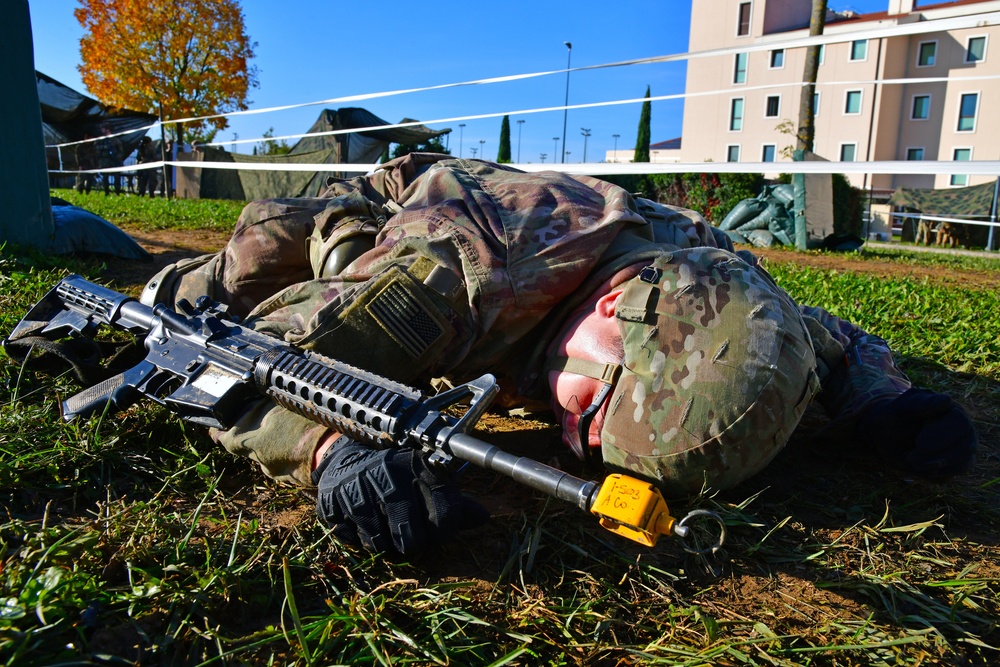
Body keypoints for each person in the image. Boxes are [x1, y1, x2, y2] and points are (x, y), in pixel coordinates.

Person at [140, 153, 978, 555]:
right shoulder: (454, 279)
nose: (571, 437)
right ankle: (150, 279)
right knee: (243, 266)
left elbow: (817, 336)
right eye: (592, 403)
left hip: (566, 225)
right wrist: (325, 445)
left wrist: (882, 400)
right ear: (612, 307)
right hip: (405, 202)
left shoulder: (717, 287)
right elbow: (237, 361)